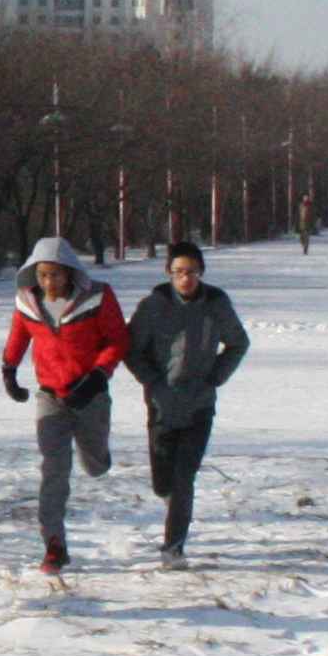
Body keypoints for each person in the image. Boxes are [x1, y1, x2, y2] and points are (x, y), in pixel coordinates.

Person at [0, 233, 131, 575]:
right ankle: (54, 545)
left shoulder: (98, 297)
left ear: (70, 272)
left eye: (55, 274)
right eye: (42, 275)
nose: (49, 282)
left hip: (90, 395)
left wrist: (98, 376)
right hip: (50, 397)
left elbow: (118, 340)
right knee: (53, 469)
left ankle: (97, 456)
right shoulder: (27, 302)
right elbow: (19, 335)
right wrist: (9, 370)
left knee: (94, 465)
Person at [126, 237, 251, 566]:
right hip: (162, 405)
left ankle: (173, 547)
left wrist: (215, 377)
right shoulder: (153, 306)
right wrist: (153, 382)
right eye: (179, 271)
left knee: (184, 478)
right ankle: (171, 501)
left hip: (199, 405)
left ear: (201, 272)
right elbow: (132, 349)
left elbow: (238, 343)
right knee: (163, 482)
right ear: (169, 272)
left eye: (192, 271)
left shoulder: (216, 303)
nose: (186, 278)